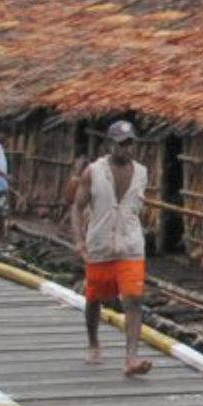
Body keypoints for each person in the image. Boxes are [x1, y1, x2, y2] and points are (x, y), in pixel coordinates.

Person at [71, 120, 152, 376]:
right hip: (100, 245)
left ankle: (131, 358)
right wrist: (79, 241)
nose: (126, 149)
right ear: (110, 145)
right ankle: (93, 341)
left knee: (134, 299)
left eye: (130, 144)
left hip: (131, 246)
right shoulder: (93, 172)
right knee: (94, 298)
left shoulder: (141, 173)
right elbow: (77, 207)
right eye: (121, 144)